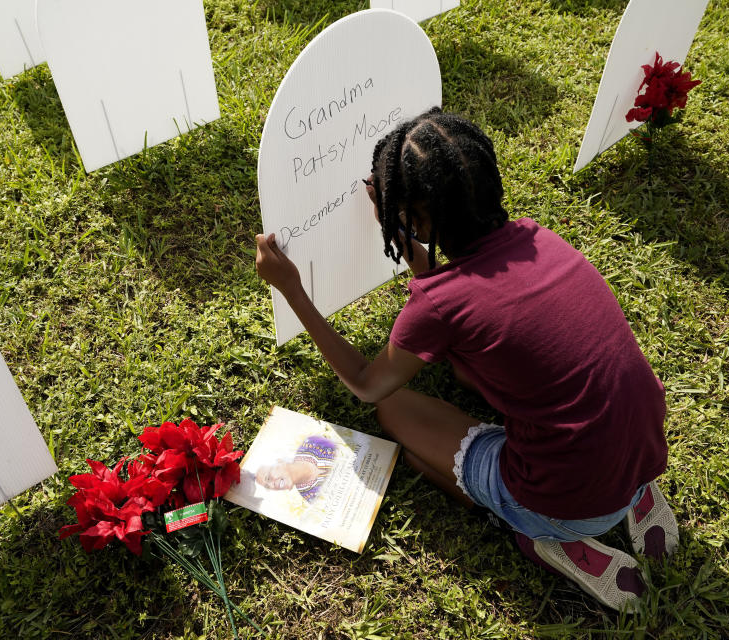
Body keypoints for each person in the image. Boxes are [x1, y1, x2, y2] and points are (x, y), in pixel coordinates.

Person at [255, 108, 678, 611]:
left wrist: (293, 290)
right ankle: (632, 502)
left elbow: (368, 384)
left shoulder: (440, 305)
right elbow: (467, 313)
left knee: (399, 420)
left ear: (418, 217)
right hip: (642, 454)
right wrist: (407, 225)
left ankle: (551, 537)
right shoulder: (537, 237)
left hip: (565, 501)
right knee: (468, 368)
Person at [255, 435, 337, 503]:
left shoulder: (311, 444)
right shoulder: (310, 496)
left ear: (280, 462)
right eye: (268, 487)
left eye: (268, 478)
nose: (272, 486)